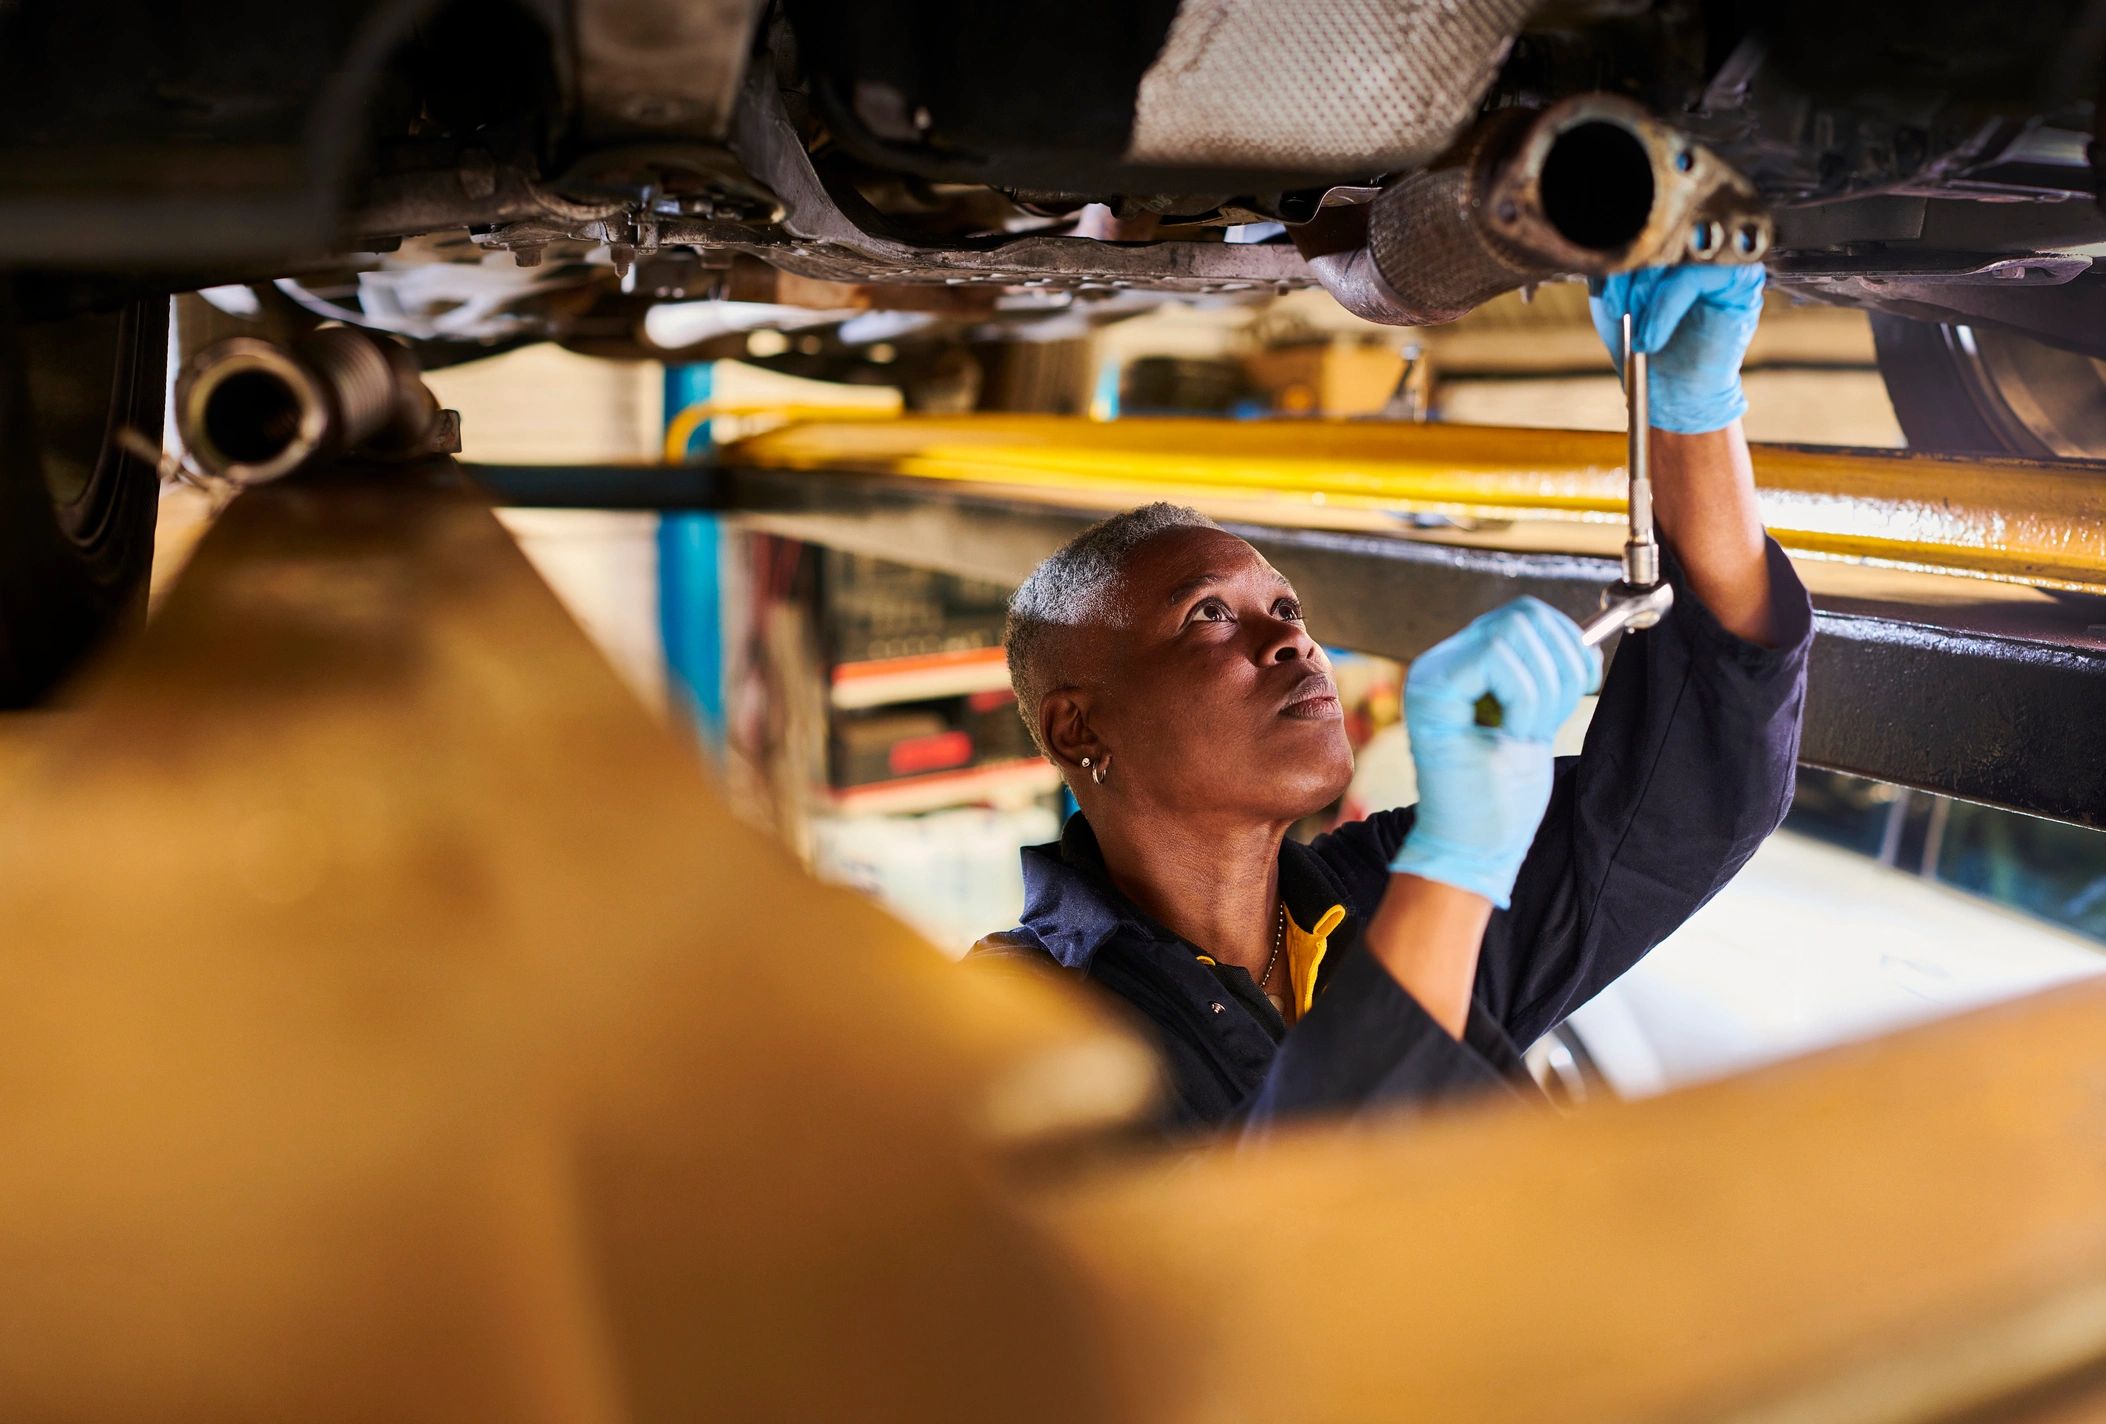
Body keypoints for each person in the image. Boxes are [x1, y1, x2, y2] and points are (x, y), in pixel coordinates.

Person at [970, 265, 1813, 1134]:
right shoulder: (1000, 1026)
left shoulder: (1375, 894)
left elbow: (1692, 800)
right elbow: (1281, 1207)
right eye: (1208, 615)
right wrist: (1453, 875)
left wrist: (1688, 419)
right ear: (1080, 727)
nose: (1293, 641)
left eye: (1287, 609)